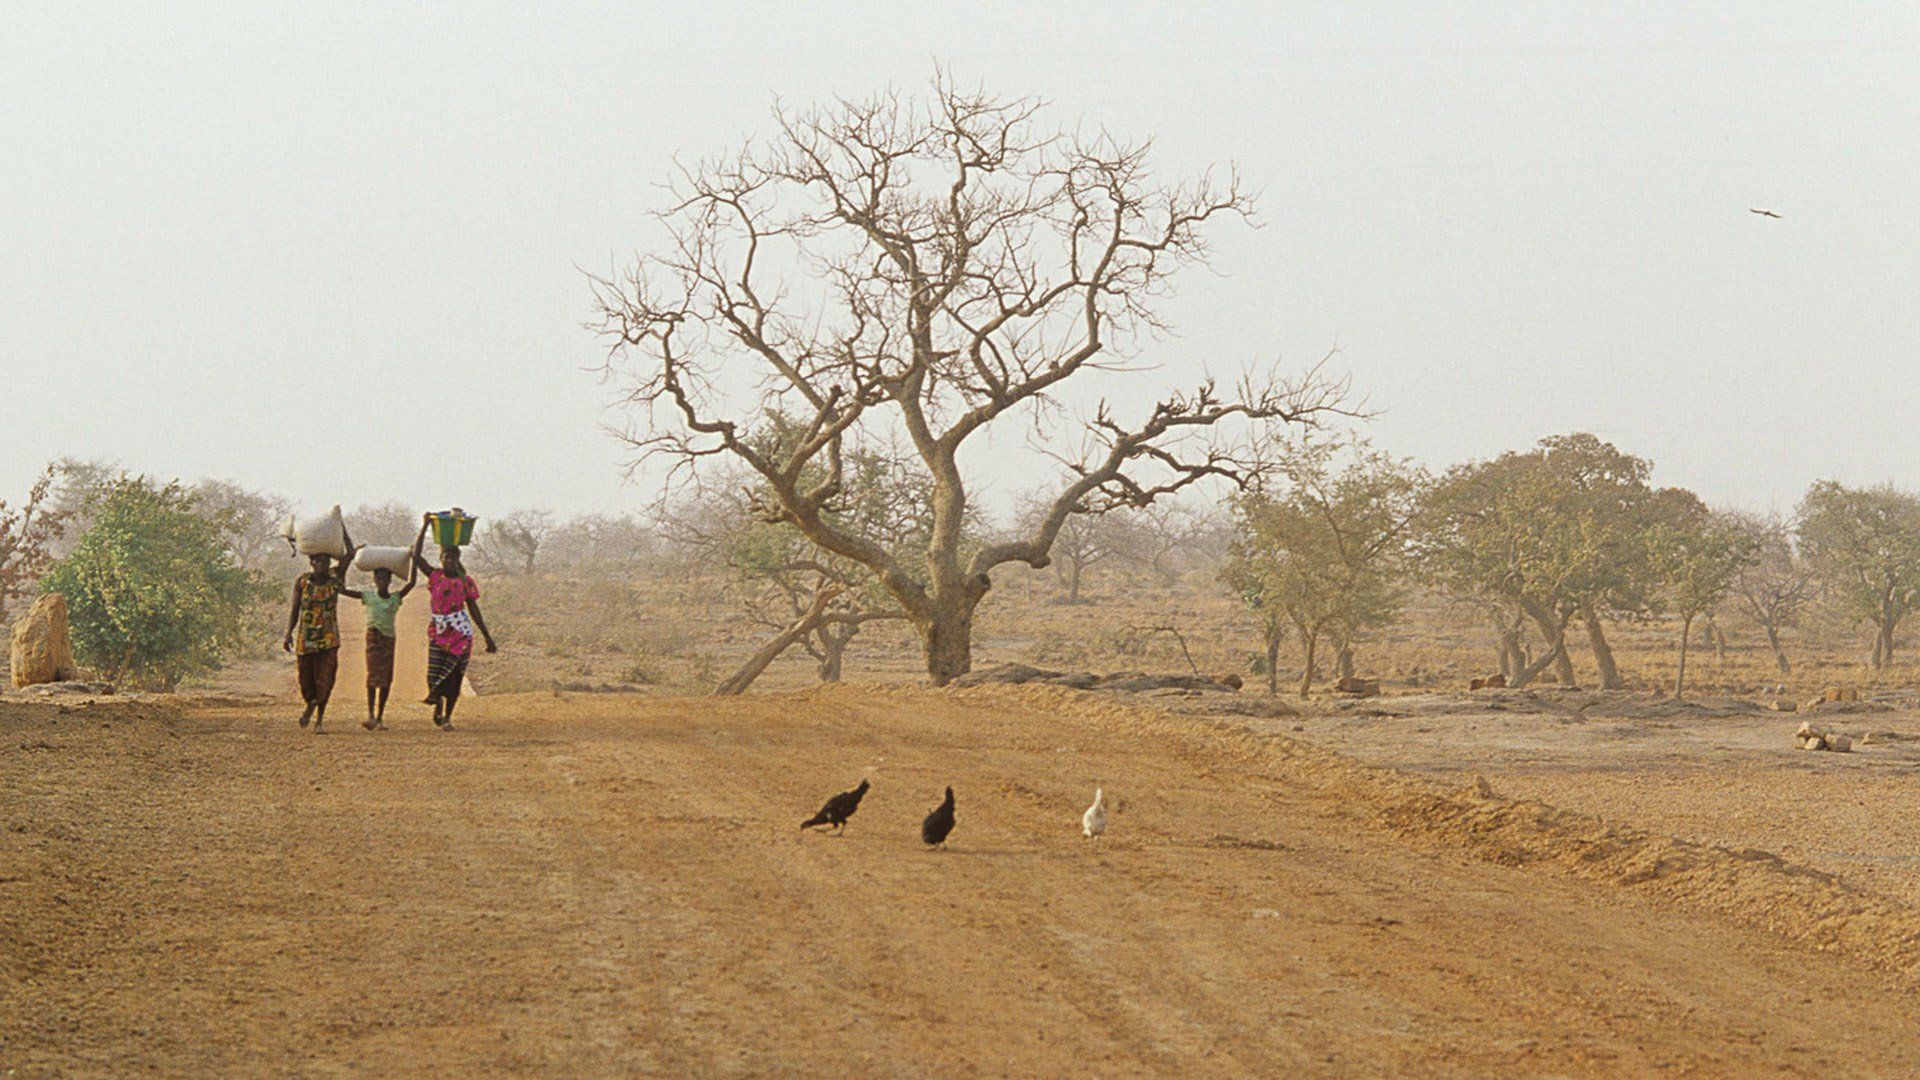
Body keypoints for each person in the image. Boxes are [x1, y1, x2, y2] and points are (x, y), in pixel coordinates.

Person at [412, 514, 496, 730]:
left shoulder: (465, 582)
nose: (449, 561)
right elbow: (416, 555)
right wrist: (424, 527)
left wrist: (488, 637)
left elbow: (474, 609)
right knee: (433, 674)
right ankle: (437, 703)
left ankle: (448, 717)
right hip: (439, 631)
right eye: (446, 557)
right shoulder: (435, 576)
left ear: (458, 559)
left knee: (455, 677)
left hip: (460, 634)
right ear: (441, 559)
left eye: (453, 558)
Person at [338, 549, 419, 731]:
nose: (382, 582)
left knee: (386, 679)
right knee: (372, 676)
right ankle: (371, 715)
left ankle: (381, 716)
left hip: (389, 640)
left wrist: (414, 560)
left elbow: (412, 583)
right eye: (379, 579)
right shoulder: (368, 597)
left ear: (390, 581)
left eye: (385, 579)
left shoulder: (395, 598)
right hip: (373, 638)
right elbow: (342, 590)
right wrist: (348, 560)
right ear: (375, 580)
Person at [283, 532, 356, 733]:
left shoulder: (335, 578)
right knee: (306, 681)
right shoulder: (302, 582)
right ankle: (310, 705)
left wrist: (342, 529)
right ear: (311, 562)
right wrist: (288, 633)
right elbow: (295, 608)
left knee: (325, 679)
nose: (321, 565)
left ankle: (319, 720)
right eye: (317, 561)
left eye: (325, 561)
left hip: (329, 638)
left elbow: (350, 554)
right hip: (306, 639)